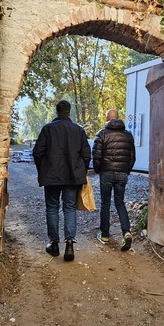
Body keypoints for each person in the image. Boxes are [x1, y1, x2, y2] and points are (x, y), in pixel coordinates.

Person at [33, 100, 91, 261]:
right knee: (70, 208)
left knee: (52, 208)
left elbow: (37, 153)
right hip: (72, 177)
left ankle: (54, 243)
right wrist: (80, 171)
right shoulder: (78, 131)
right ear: (69, 112)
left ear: (57, 112)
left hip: (51, 176)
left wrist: (43, 169)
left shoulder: (47, 129)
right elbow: (86, 155)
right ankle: (70, 244)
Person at [92, 109, 136, 251]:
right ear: (118, 118)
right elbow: (132, 157)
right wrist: (126, 170)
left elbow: (96, 156)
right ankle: (126, 232)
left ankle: (104, 235)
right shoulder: (128, 135)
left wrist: (99, 170)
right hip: (122, 173)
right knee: (120, 202)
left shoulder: (102, 134)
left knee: (105, 203)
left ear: (107, 119)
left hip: (106, 173)